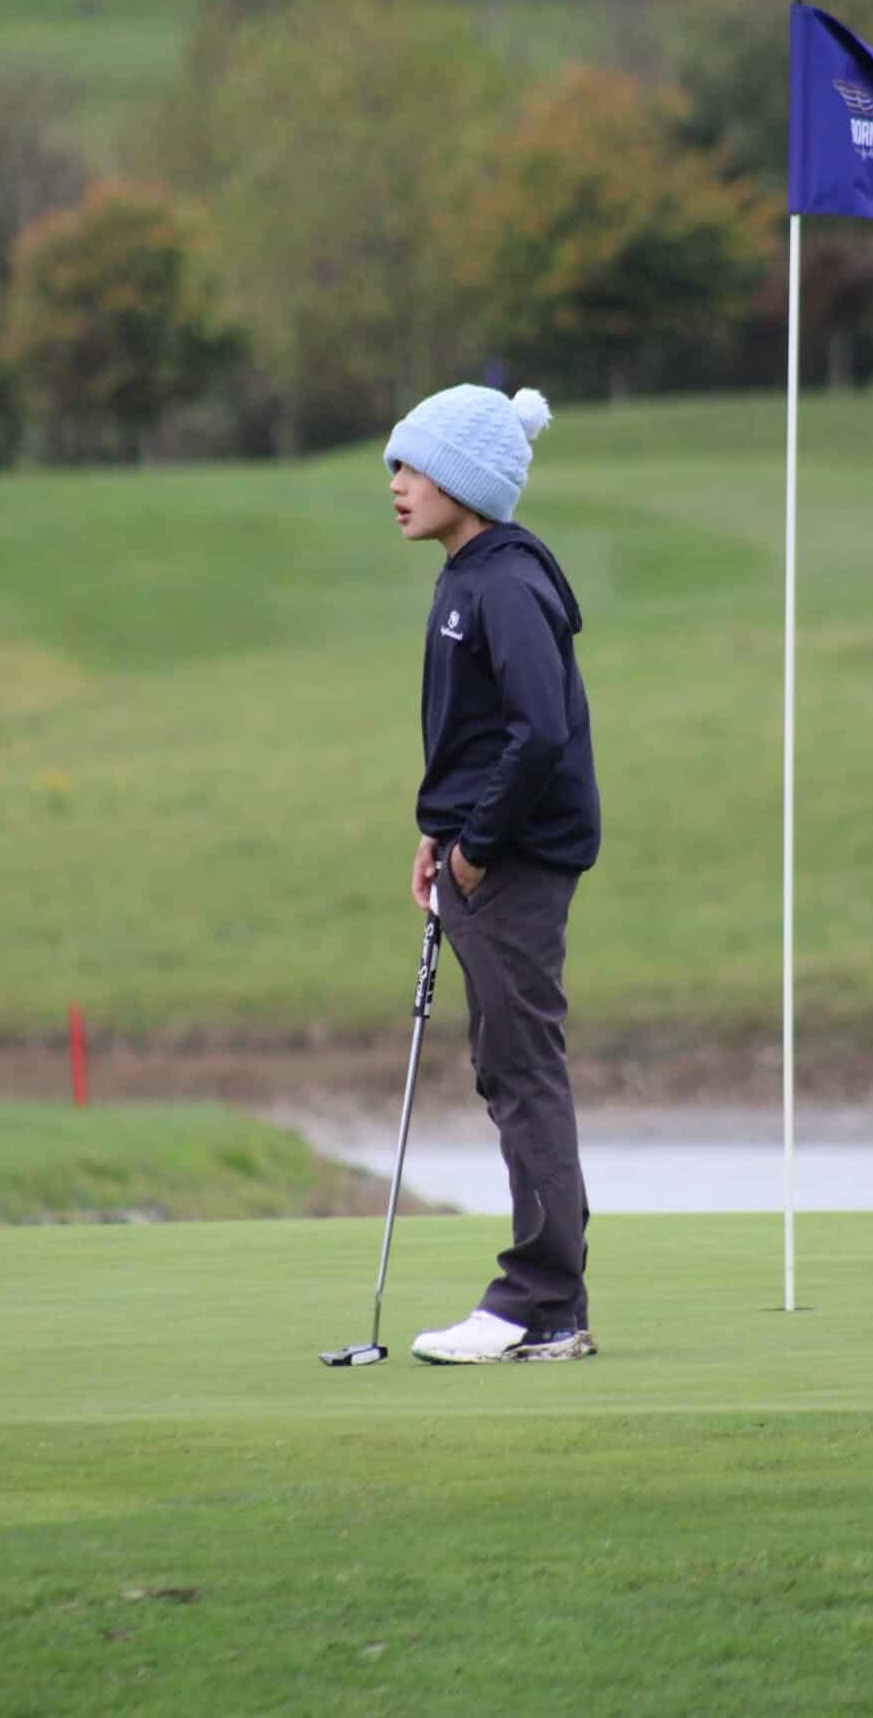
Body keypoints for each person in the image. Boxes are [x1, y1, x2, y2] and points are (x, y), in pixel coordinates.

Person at [385, 383, 601, 1365]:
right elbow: (476, 737)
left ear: (463, 480)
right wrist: (439, 831)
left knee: (522, 1071)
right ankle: (545, 1301)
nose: (396, 484)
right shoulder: (466, 577)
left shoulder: (504, 586)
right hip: (479, 856)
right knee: (507, 1066)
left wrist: (473, 846)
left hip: (512, 865)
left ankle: (542, 1304)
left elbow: (540, 733)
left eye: (413, 466)